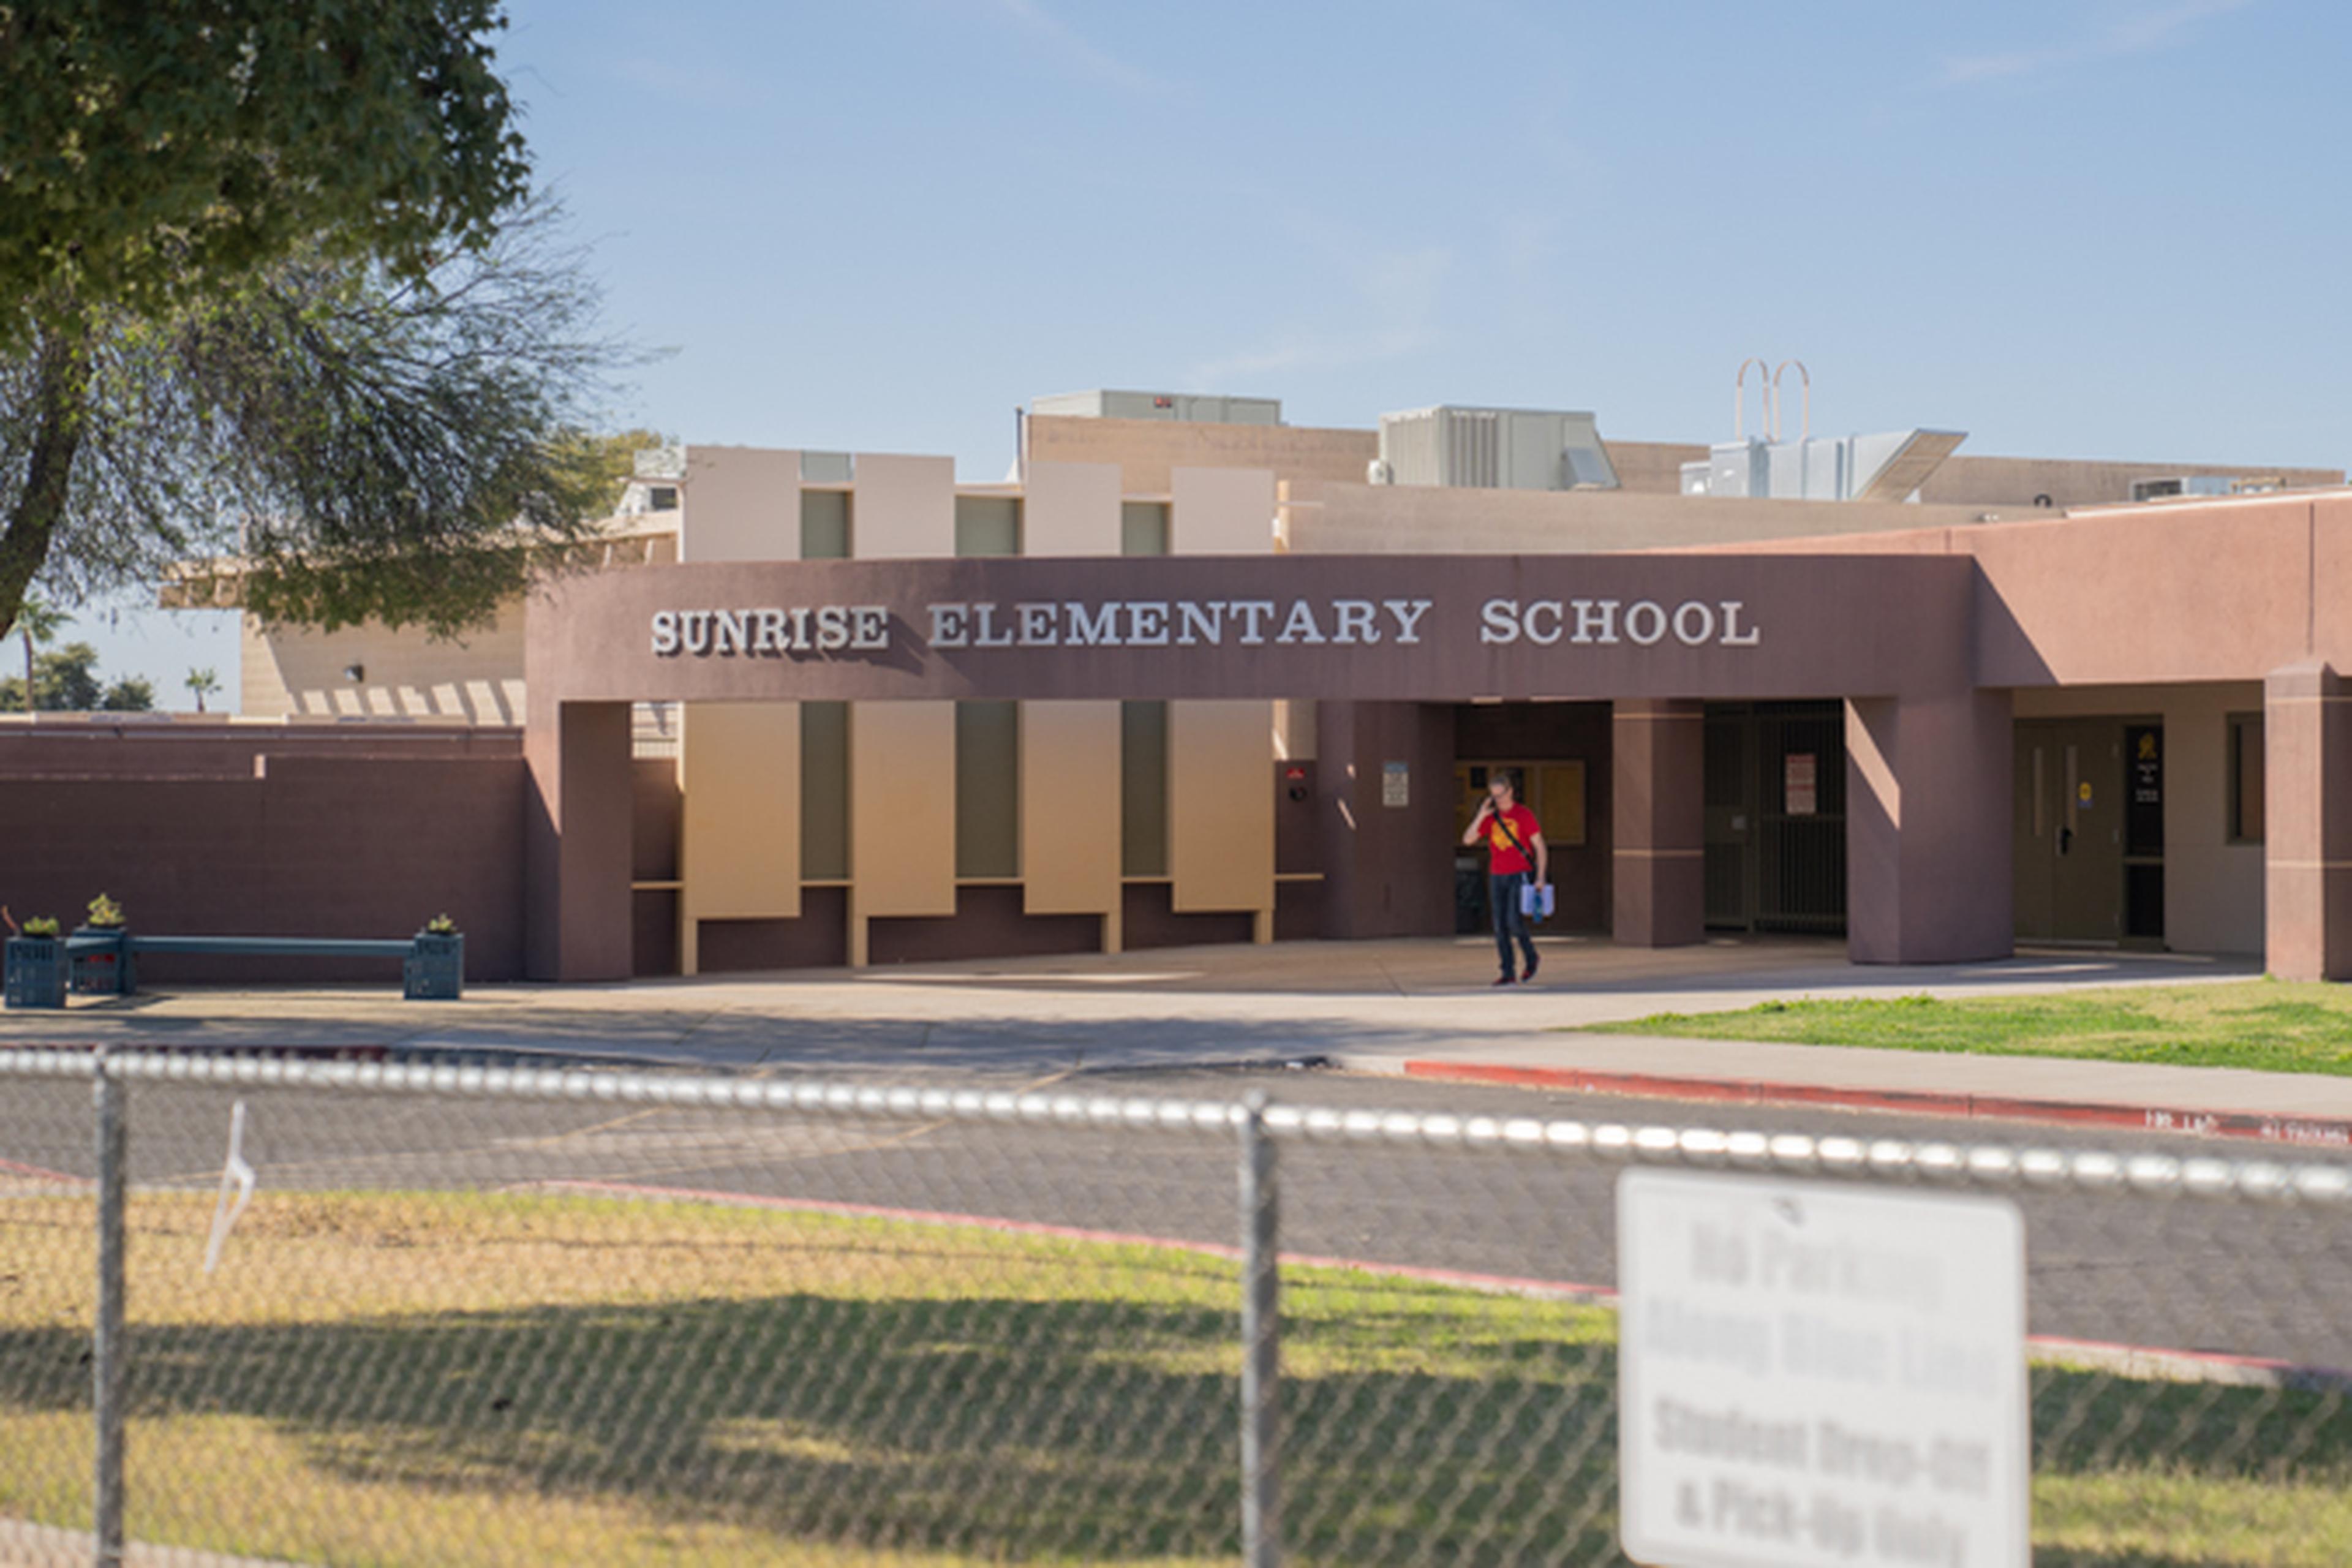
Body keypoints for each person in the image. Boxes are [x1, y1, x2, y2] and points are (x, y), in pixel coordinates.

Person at [1462, 772, 1548, 986]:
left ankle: (1531, 957)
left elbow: (1540, 846)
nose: (1498, 800)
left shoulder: (1523, 815)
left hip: (1519, 873)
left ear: (1510, 792)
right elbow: (1468, 840)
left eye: (1501, 795)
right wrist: (1481, 815)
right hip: (1497, 874)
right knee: (1499, 926)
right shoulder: (1491, 818)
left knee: (1513, 920)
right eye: (1494, 796)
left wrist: (1540, 877)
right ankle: (1507, 971)